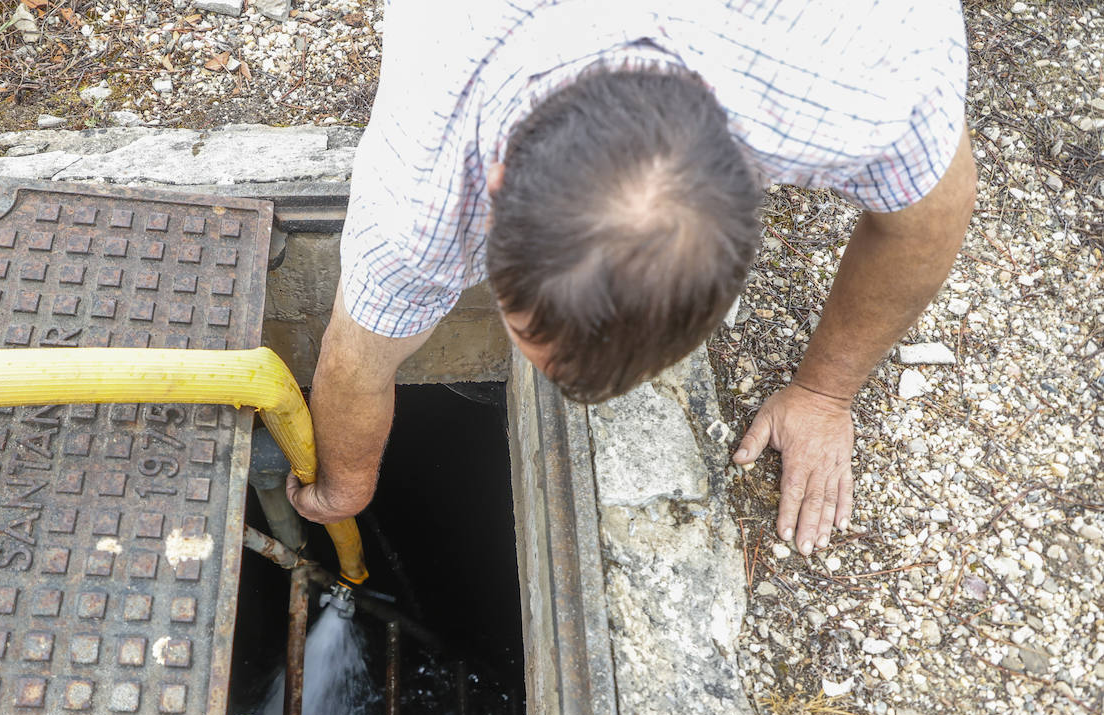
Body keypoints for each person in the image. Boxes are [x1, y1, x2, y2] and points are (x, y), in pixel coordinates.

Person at [286, 0, 976, 557]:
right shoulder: (422, 187)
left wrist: (824, 393)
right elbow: (355, 362)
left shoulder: (862, 58)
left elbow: (928, 215)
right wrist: (346, 488)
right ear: (494, 190)